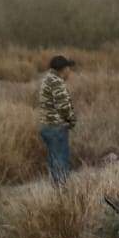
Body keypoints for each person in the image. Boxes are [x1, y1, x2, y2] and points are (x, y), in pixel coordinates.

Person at [37, 55, 77, 185]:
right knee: (60, 161)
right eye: (68, 68)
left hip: (46, 126)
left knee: (53, 160)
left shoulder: (47, 79)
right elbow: (64, 107)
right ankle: (62, 193)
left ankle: (56, 191)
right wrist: (72, 121)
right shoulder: (56, 82)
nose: (70, 71)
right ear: (63, 69)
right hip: (56, 128)